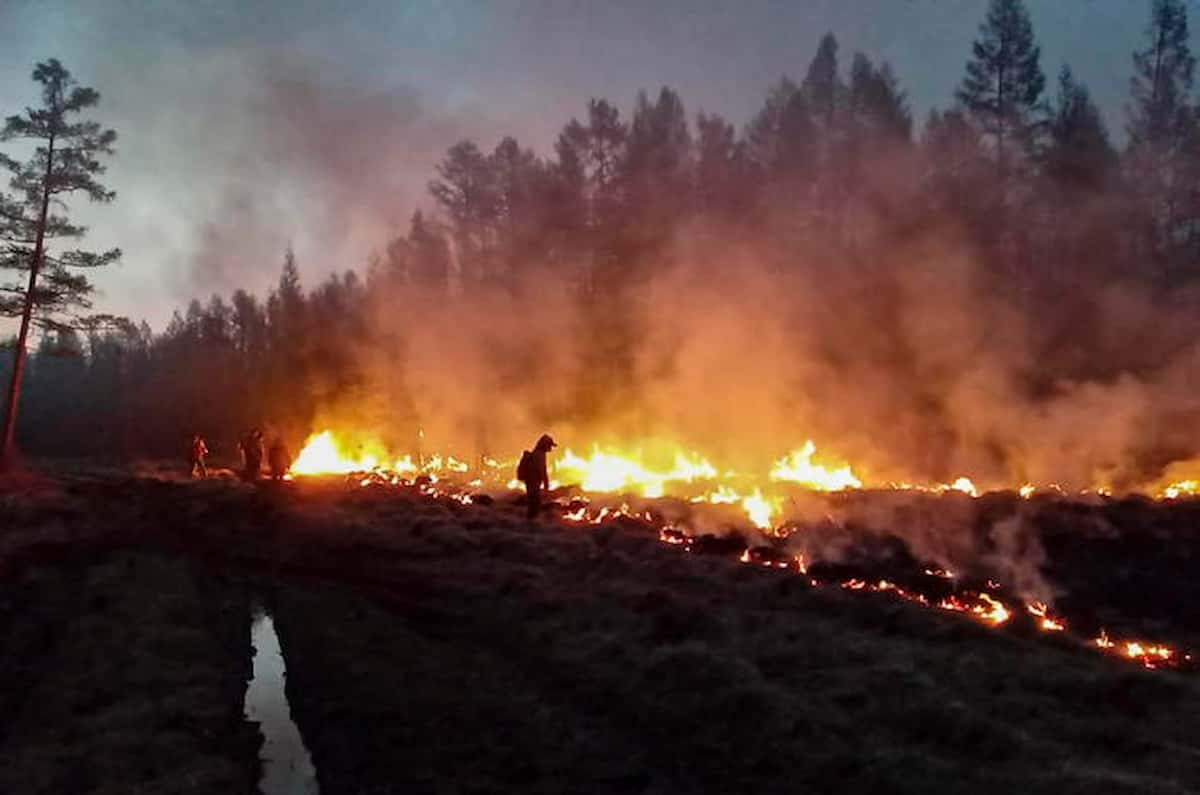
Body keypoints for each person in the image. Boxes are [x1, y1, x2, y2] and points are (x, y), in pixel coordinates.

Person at [517, 433, 556, 521]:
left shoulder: (537, 453)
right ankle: (532, 523)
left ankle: (530, 521)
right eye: (550, 445)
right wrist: (546, 484)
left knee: (532, 503)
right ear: (545, 445)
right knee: (535, 503)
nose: (550, 448)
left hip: (531, 482)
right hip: (533, 482)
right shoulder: (539, 454)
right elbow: (542, 470)